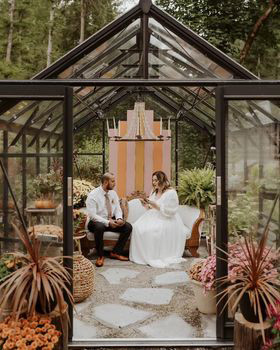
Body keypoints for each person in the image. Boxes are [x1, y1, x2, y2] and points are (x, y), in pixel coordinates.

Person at [129, 171, 188, 268]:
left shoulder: (171, 192)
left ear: (162, 180)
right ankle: (143, 255)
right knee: (137, 227)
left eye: (156, 180)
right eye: (153, 180)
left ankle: (154, 255)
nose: (154, 183)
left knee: (153, 230)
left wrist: (155, 205)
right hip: (153, 215)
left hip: (167, 218)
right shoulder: (154, 191)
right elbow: (150, 207)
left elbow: (171, 210)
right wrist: (146, 204)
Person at [86, 172, 132, 267]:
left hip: (111, 220)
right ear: (106, 182)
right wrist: (107, 222)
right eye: (113, 181)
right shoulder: (93, 195)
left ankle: (116, 252)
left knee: (128, 227)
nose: (115, 183)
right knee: (99, 227)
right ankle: (100, 256)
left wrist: (119, 218)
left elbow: (118, 209)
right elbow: (92, 215)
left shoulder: (113, 193)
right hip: (96, 221)